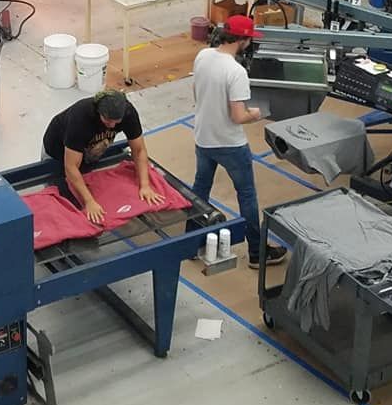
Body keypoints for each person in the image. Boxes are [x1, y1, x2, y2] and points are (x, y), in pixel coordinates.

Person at [192, 14, 287, 269]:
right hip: (229, 143)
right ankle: (257, 252)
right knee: (246, 195)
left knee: (200, 190)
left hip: (203, 136)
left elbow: (198, 94)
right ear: (242, 40)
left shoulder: (203, 56)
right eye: (249, 39)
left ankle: (189, 242)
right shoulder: (236, 72)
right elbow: (237, 116)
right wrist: (255, 114)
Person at [41, 89, 164, 223]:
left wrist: (145, 185)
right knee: (62, 202)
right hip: (57, 153)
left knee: (88, 180)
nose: (112, 126)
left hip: (88, 152)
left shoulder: (128, 113)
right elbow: (70, 167)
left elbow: (139, 150)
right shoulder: (80, 118)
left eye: (116, 122)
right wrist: (89, 202)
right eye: (107, 120)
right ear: (98, 111)